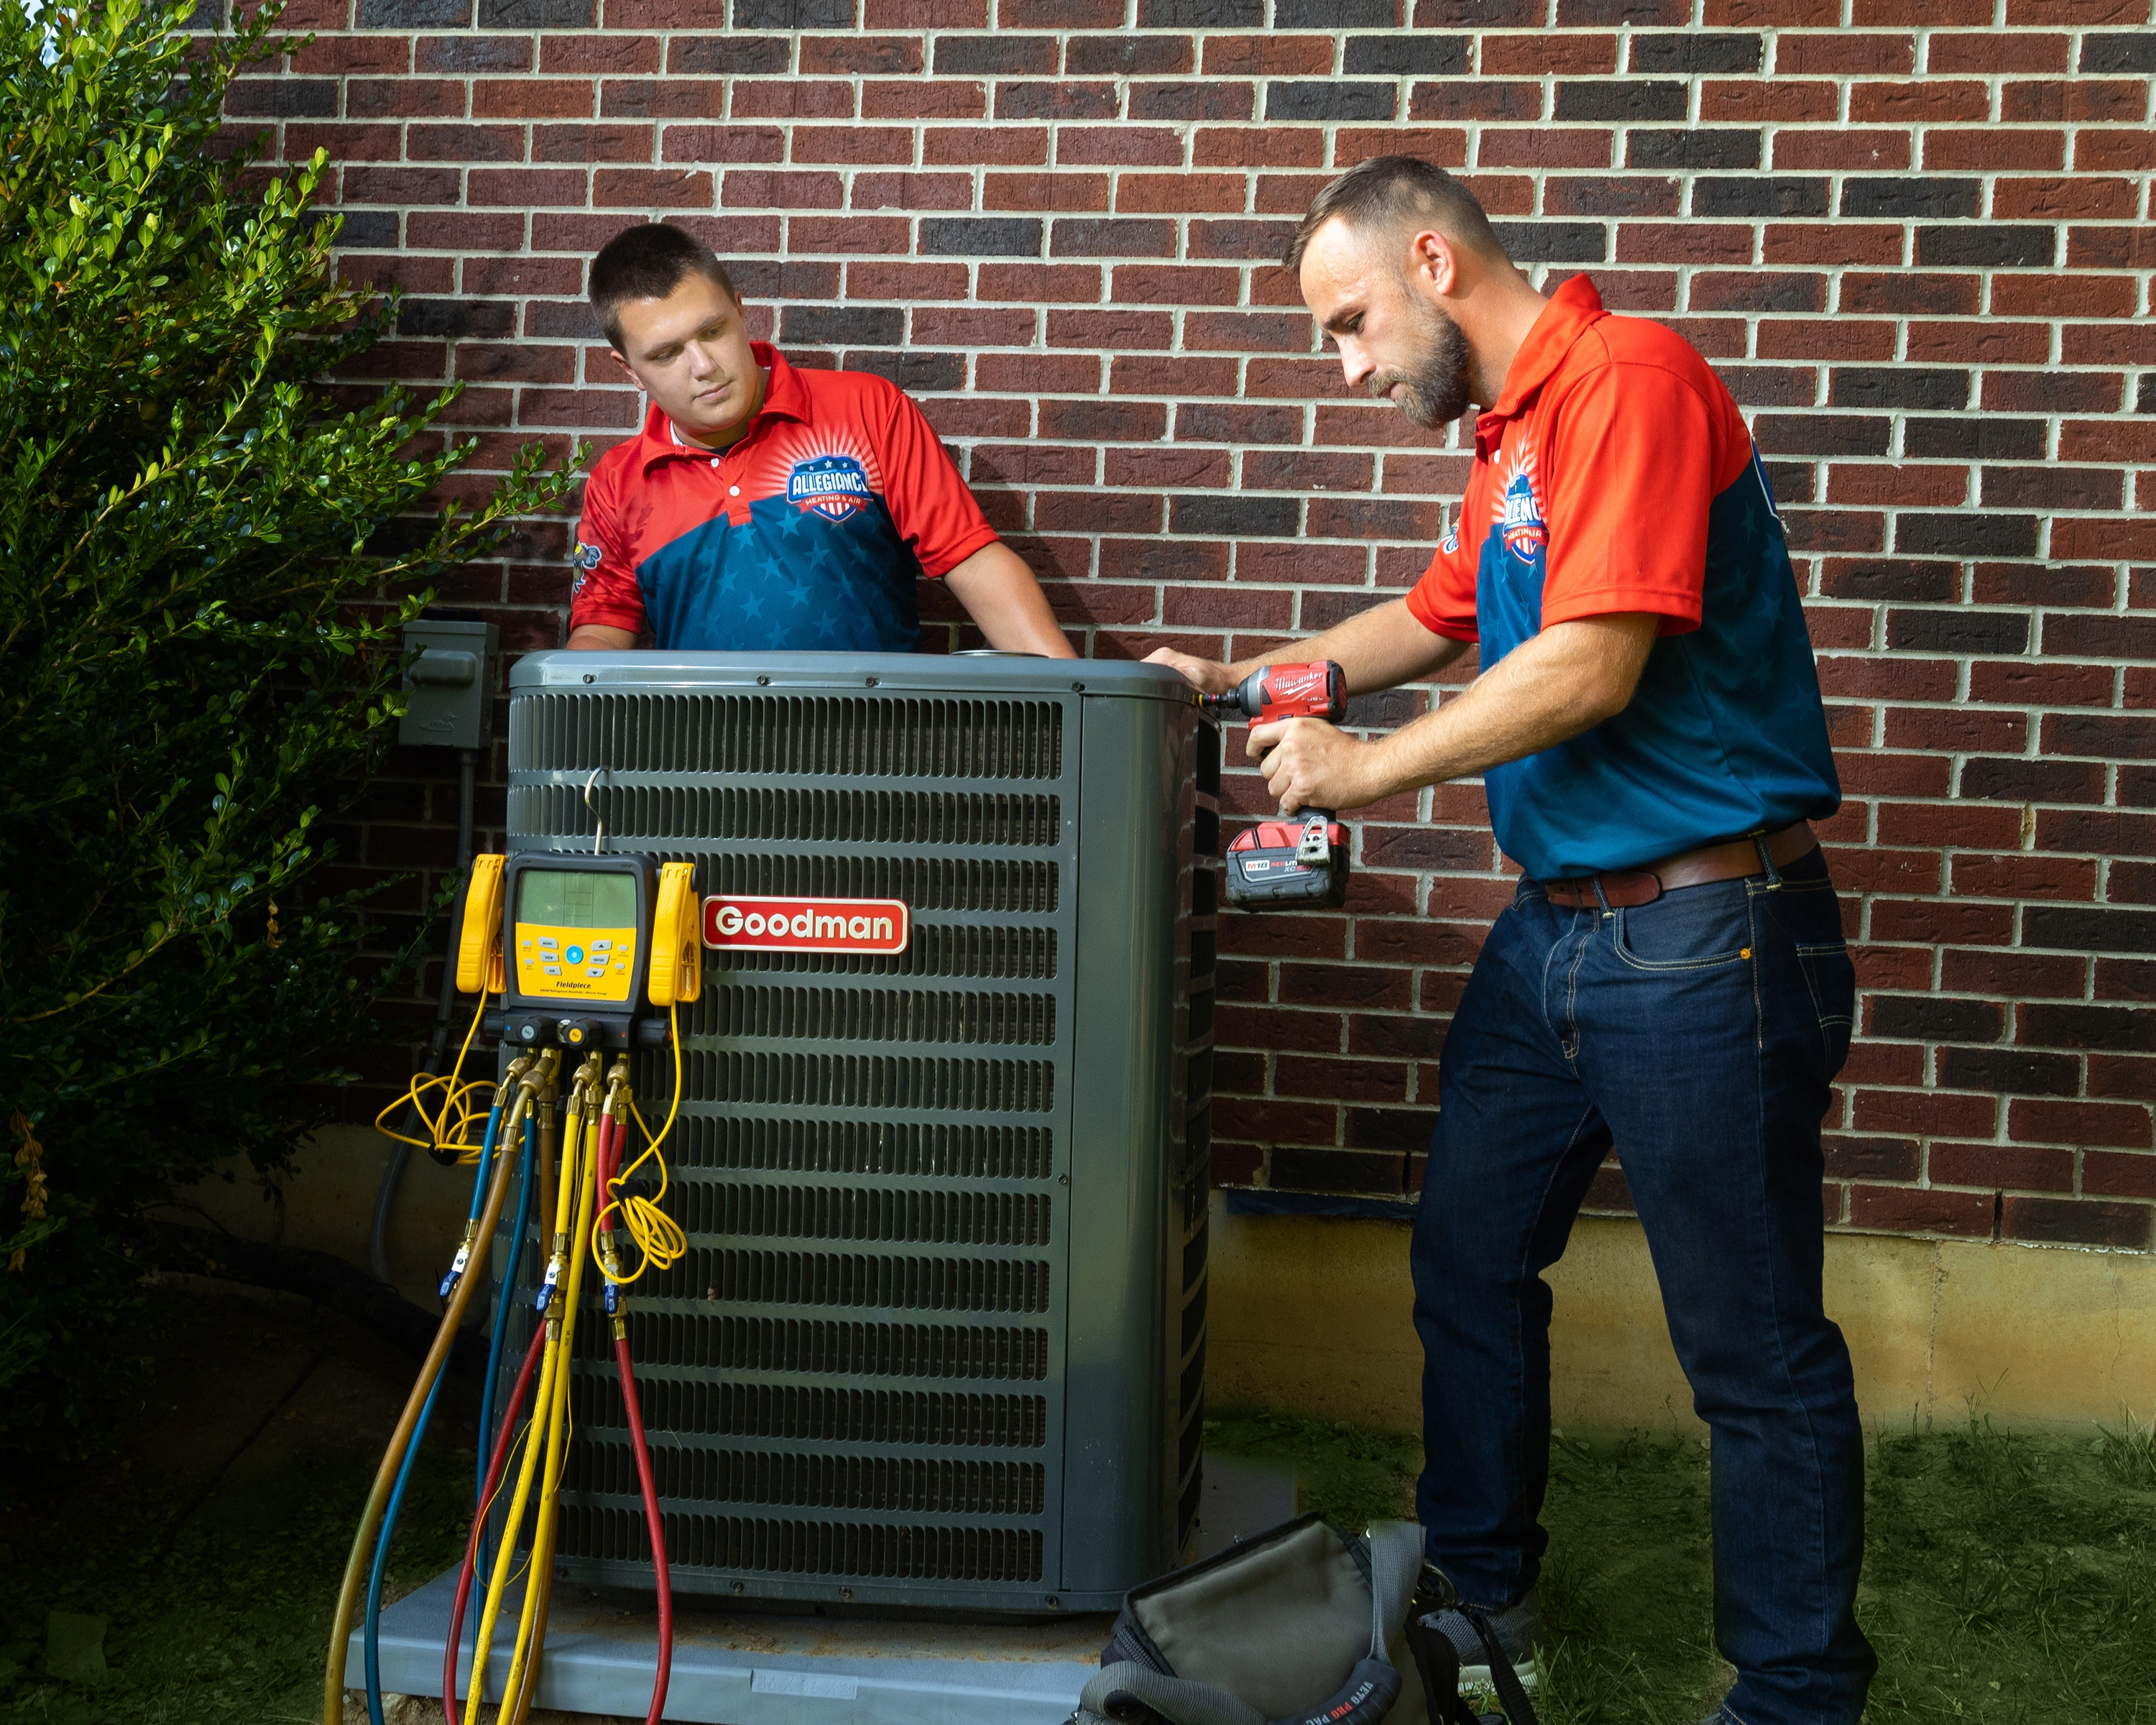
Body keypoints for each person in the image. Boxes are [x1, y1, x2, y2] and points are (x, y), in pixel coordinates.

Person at [1148, 157, 1871, 1725]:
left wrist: (1365, 771)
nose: (1348, 367)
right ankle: (1480, 1610)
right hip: (1560, 938)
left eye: (1351, 324)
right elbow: (1434, 619)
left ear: (1432, 259)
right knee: (1470, 1259)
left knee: (1749, 1348)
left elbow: (1592, 664)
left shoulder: (1631, 383)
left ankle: (1796, 1696)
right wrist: (1237, 682)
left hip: (1708, 933)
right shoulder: (1517, 433)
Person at [565, 223, 1072, 658]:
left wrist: (1080, 701)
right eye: (667, 354)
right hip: (707, 764)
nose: (704, 367)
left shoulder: (867, 410)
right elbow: (601, 635)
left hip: (875, 758)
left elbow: (975, 564)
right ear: (629, 370)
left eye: (713, 331)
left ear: (740, 311)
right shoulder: (619, 482)